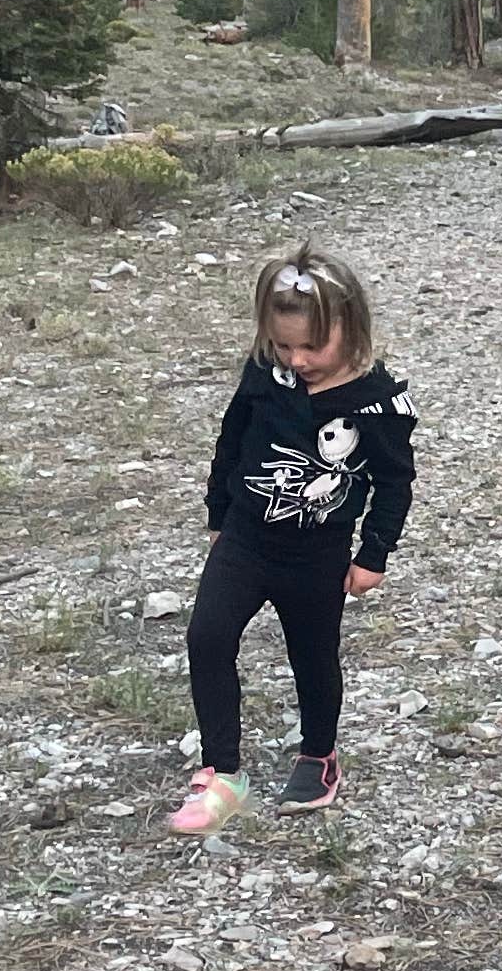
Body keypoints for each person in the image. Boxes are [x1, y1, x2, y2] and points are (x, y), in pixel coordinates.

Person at [168, 248, 415, 836]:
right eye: (283, 346)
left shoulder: (375, 405)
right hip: (246, 541)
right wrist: (217, 511)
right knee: (207, 637)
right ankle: (221, 771)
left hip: (318, 555)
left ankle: (319, 754)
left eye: (310, 348)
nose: (295, 360)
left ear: (350, 330)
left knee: (311, 656)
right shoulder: (266, 376)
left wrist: (373, 553)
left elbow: (394, 482)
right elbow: (232, 438)